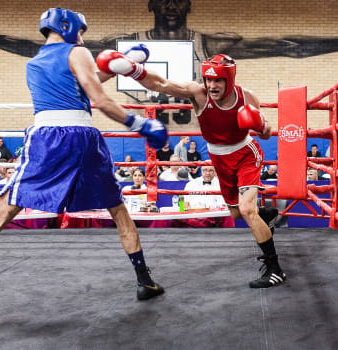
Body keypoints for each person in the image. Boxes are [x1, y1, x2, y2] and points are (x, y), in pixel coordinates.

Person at [0, 8, 168, 301]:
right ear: (67, 26)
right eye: (81, 31)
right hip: (82, 138)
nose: (82, 38)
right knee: (118, 209)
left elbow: (82, 87)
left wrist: (121, 65)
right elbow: (97, 98)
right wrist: (140, 124)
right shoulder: (75, 52)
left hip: (47, 139)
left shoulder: (33, 64)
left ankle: (146, 281)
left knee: (1, 213)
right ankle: (144, 281)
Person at [97, 50, 285, 288]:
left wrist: (259, 124)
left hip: (246, 153)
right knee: (238, 214)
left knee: (247, 210)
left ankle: (275, 269)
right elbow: (162, 84)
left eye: (218, 80)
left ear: (230, 79)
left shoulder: (246, 97)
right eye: (209, 79)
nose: (212, 85)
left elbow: (266, 134)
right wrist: (133, 69)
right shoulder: (198, 93)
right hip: (219, 156)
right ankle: (265, 214)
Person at [0, 1, 338, 62]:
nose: (171, 5)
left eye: (178, 1)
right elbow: (42, 48)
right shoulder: (126, 44)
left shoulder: (212, 43)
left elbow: (289, 46)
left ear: (189, 6)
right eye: (164, 1)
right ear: (152, 6)